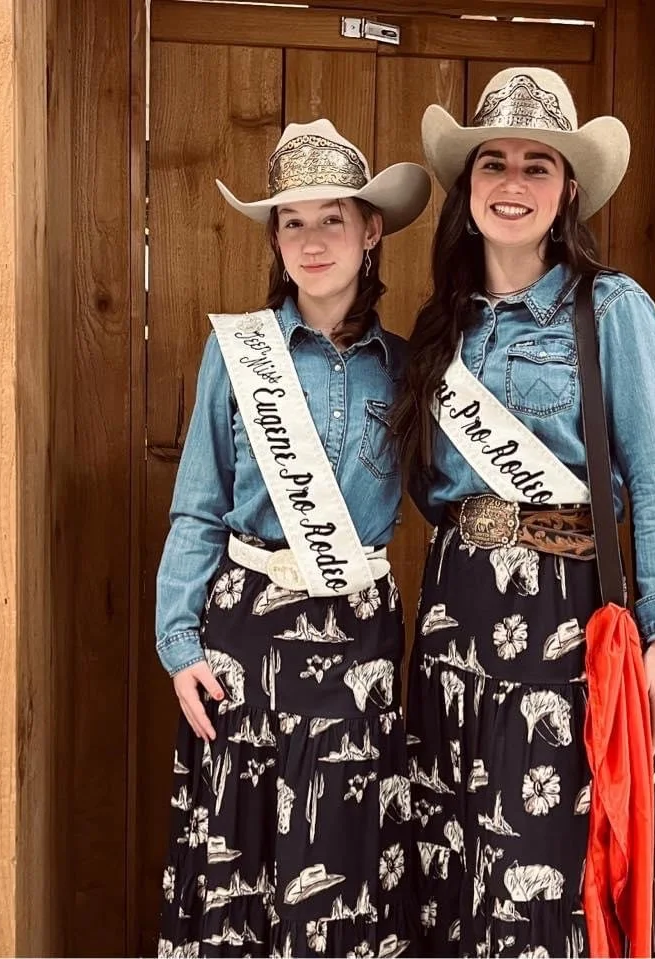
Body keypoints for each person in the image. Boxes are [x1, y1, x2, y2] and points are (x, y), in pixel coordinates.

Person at [390, 68, 655, 957]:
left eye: (537, 165)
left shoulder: (612, 309)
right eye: (493, 163)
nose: (513, 183)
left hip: (561, 620)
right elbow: (428, 488)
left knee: (538, 866)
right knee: (449, 858)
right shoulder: (443, 326)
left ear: (568, 189)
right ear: (467, 189)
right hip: (453, 613)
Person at [154, 118, 431, 957]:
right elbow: (197, 505)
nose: (313, 241)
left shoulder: (409, 368)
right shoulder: (236, 352)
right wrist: (178, 643)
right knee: (237, 862)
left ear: (371, 230)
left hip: (358, 639)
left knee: (339, 862)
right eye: (293, 221)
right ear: (275, 238)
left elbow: (449, 496)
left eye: (332, 219)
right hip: (244, 633)